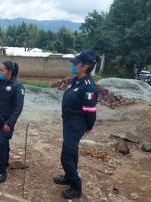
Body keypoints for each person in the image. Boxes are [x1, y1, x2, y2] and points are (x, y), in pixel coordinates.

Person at [53, 50, 100, 199]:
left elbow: (90, 111)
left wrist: (88, 126)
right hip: (69, 123)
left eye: (76, 63)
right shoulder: (76, 81)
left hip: (76, 125)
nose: (73, 65)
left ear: (85, 66)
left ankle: (76, 186)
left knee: (66, 156)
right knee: (72, 152)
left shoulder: (89, 87)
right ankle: (68, 176)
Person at [0, 61, 25, 183]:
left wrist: (10, 123)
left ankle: (2, 170)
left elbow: (18, 107)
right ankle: (5, 161)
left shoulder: (17, 86)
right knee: (3, 142)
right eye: (0, 69)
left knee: (0, 142)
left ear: (9, 72)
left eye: (2, 70)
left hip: (7, 122)